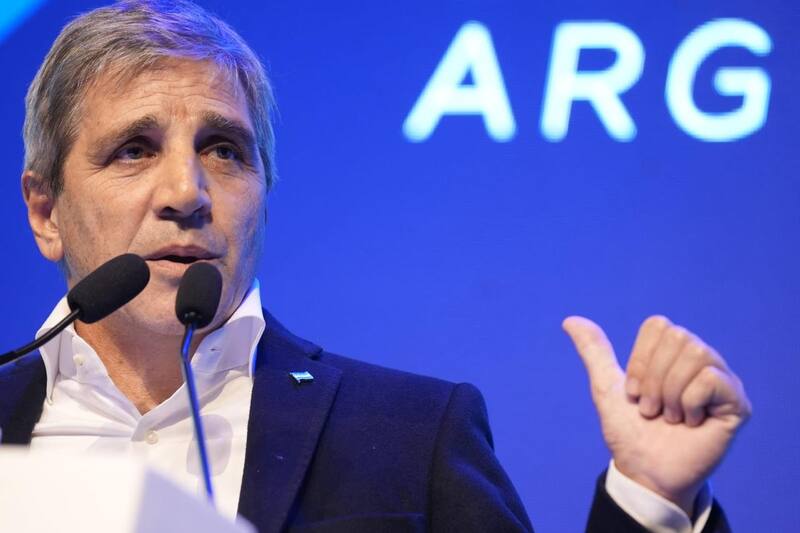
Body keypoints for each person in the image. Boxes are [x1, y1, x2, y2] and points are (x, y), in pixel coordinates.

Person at [0, 1, 750, 531]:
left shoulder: (412, 434)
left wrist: (651, 498)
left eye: (224, 150)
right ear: (45, 212)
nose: (187, 193)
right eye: (134, 150)